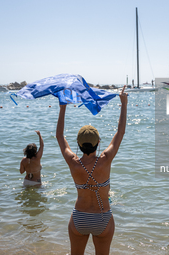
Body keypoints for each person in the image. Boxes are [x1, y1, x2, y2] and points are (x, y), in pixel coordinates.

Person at [56, 85, 128, 254]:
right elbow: (121, 132)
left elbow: (59, 136)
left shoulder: (73, 162)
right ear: (98, 143)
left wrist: (62, 107)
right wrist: (123, 103)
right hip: (102, 217)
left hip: (79, 217)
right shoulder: (105, 159)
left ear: (79, 145)